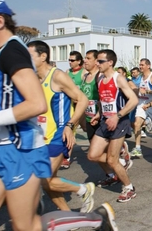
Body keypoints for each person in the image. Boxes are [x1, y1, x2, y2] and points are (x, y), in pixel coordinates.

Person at [0, 0, 117, 231]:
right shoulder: (0, 57)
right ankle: (90, 214)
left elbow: (40, 103)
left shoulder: (14, 53)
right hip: (1, 146)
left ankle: (92, 214)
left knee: (31, 215)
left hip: (25, 147)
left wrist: (69, 124)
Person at [28, 40, 96, 214]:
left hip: (59, 134)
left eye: (30, 55)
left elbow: (82, 99)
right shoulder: (31, 77)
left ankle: (83, 189)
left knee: (44, 178)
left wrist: (70, 125)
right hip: (38, 137)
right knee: (48, 182)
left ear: (43, 56)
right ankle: (68, 216)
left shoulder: (57, 76)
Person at [88, 49, 139, 203]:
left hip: (119, 122)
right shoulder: (99, 78)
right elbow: (103, 100)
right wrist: (99, 114)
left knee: (111, 160)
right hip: (105, 121)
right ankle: (122, 162)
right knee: (93, 155)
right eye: (96, 60)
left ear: (110, 62)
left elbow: (133, 100)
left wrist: (117, 117)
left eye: (100, 61)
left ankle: (129, 188)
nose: (97, 63)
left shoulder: (119, 79)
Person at [130, 58, 152, 157]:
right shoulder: (141, 77)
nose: (140, 66)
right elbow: (140, 90)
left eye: (142, 65)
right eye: (140, 65)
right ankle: (138, 148)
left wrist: (147, 91)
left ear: (148, 66)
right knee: (136, 124)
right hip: (142, 103)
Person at [63, 51, 87, 169]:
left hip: (80, 104)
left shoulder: (84, 73)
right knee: (83, 128)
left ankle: (66, 157)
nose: (70, 62)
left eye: (72, 60)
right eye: (69, 60)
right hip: (70, 104)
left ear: (79, 61)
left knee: (73, 127)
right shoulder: (67, 72)